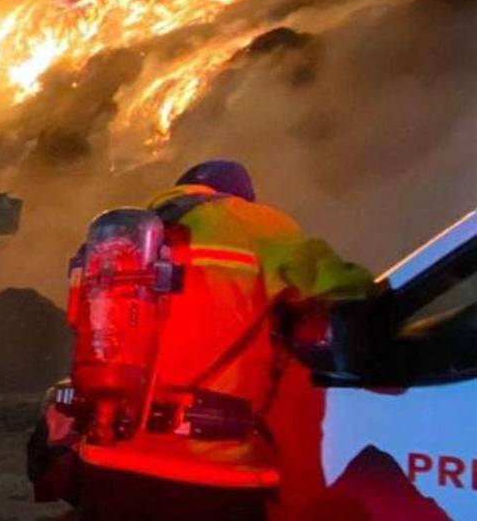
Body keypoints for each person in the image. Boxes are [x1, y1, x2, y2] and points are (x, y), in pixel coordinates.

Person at [30, 159, 374, 520]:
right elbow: (349, 290)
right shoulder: (255, 224)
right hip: (211, 476)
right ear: (241, 197)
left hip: (105, 463)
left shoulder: (121, 245)